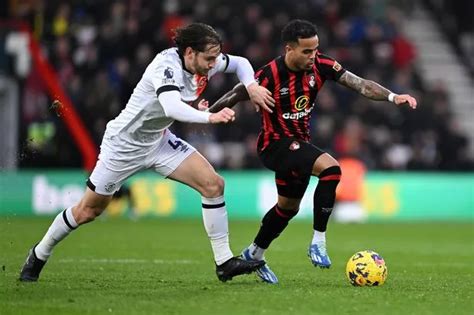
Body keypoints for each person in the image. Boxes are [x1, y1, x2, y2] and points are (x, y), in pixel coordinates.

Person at [19, 23, 275, 283]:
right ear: (189, 53)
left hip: (159, 141)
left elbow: (241, 63)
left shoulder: (205, 59)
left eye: (215, 58)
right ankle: (39, 253)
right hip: (123, 145)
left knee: (213, 185)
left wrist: (251, 85)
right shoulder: (165, 67)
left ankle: (224, 263)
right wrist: (210, 116)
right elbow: (172, 107)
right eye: (208, 59)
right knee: (88, 211)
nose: (213, 64)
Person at [208, 19, 417, 284]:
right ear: (289, 49)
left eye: (315, 49)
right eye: (307, 51)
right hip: (274, 144)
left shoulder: (322, 65)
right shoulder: (269, 74)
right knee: (331, 169)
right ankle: (318, 240)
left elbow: (361, 84)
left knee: (288, 207)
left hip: (299, 145)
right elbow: (236, 94)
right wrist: (205, 115)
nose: (313, 56)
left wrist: (392, 96)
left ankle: (254, 253)